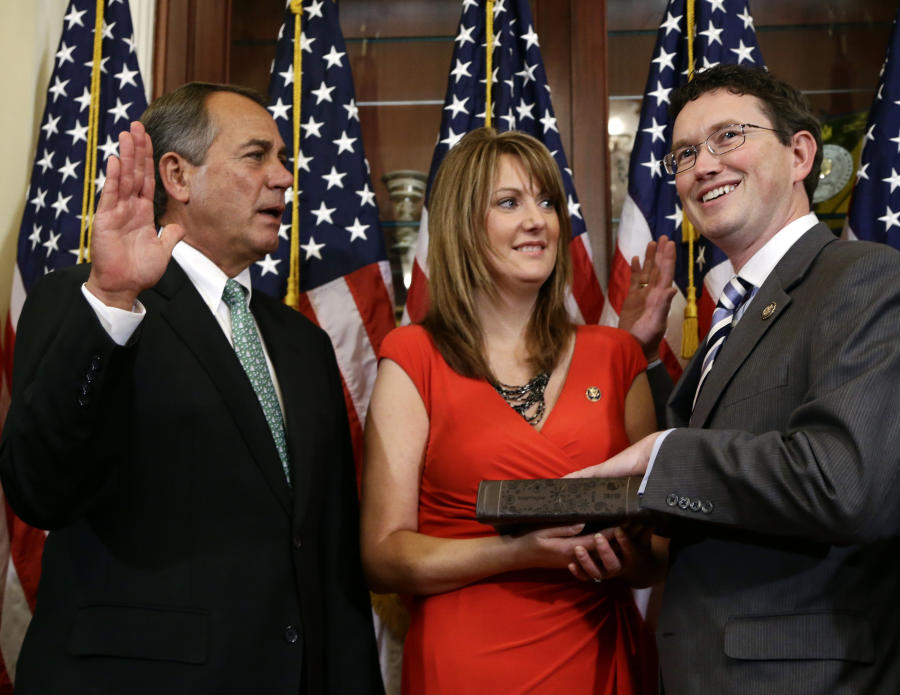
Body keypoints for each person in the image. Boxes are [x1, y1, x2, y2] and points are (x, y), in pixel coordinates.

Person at [0, 83, 383, 695]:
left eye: (283, 159)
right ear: (176, 175)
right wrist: (113, 301)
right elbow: (39, 487)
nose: (283, 178)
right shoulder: (89, 303)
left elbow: (329, 556)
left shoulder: (303, 344)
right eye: (257, 156)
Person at [574, 64, 900, 694]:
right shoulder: (735, 313)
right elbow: (730, 506)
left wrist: (663, 454)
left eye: (728, 137)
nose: (704, 164)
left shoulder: (863, 278)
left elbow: (843, 481)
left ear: (800, 154)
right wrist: (645, 552)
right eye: (686, 152)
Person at [360, 127, 663, 695]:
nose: (538, 220)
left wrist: (625, 554)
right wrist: (518, 551)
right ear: (461, 227)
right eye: (509, 202)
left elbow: (657, 555)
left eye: (547, 201)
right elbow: (383, 555)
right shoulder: (413, 356)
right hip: (466, 662)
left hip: (600, 656)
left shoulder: (618, 355)